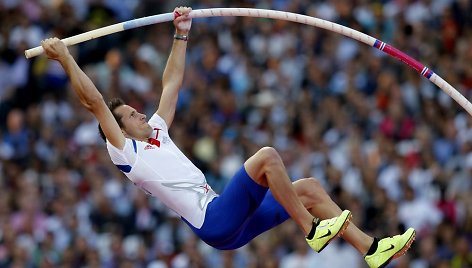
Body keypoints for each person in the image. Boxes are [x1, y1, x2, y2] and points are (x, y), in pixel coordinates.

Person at [40, 6, 415, 268]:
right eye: (130, 116)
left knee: (311, 188)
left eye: (136, 111)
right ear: (117, 131)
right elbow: (93, 102)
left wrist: (180, 34)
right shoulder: (125, 152)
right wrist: (66, 58)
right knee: (266, 157)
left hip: (227, 223)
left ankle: (372, 249)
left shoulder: (157, 131)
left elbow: (171, 83)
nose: (140, 113)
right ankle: (311, 229)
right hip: (214, 221)